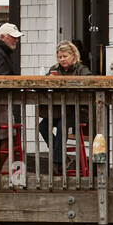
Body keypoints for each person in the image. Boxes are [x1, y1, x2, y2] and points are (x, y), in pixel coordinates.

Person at [39, 41, 90, 172]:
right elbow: (43, 84)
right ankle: (63, 157)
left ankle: (57, 162)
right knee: (42, 126)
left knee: (62, 126)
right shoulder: (54, 70)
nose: (62, 59)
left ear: (73, 55)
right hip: (58, 110)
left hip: (78, 110)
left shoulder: (81, 69)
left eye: (65, 56)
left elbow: (89, 81)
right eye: (60, 57)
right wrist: (47, 80)